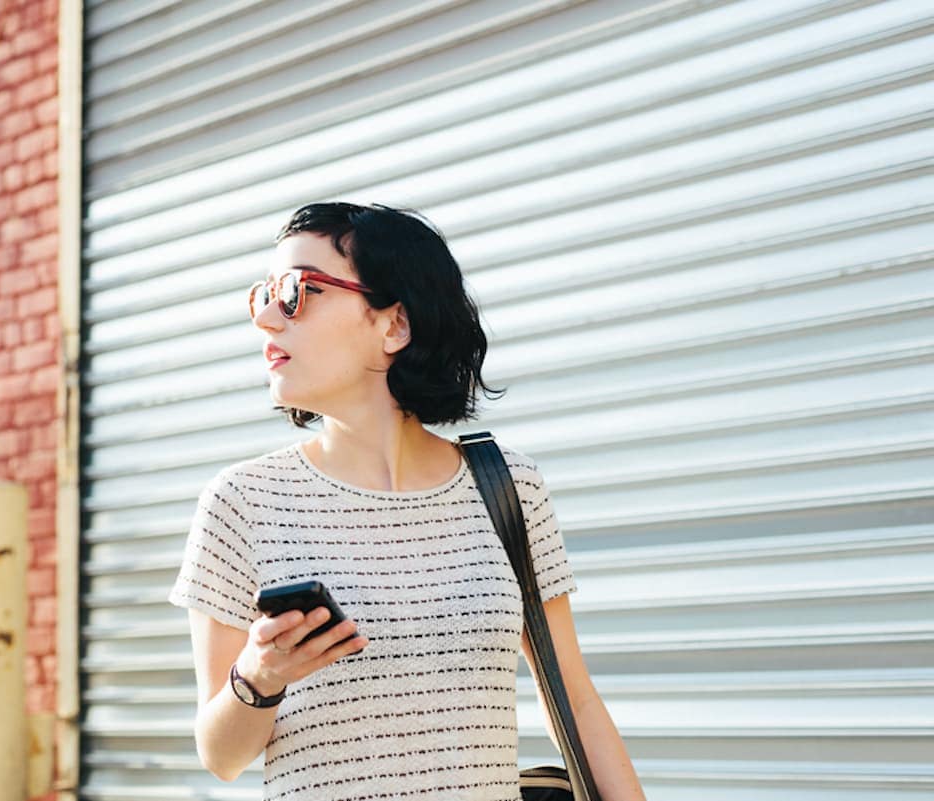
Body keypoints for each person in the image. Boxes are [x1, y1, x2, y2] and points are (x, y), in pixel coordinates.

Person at [168, 202, 645, 800]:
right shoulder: (242, 502)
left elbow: (572, 698)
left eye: (297, 291)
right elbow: (220, 757)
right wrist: (259, 677)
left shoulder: (508, 487)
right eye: (262, 294)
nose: (266, 317)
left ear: (395, 324)